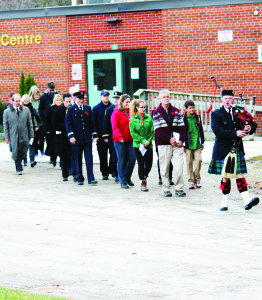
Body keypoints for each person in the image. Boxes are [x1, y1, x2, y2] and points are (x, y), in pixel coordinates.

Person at [208, 89, 259, 211]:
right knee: (226, 176)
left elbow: (253, 124)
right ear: (222, 101)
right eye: (225, 98)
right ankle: (224, 201)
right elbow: (218, 131)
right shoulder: (216, 114)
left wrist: (249, 127)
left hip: (237, 148)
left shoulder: (239, 112)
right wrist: (235, 133)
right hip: (223, 149)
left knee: (239, 174)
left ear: (233, 100)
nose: (228, 101)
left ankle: (246, 200)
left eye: (230, 98)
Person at [153, 89, 186, 197]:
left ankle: (179, 188)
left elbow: (182, 127)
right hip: (163, 144)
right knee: (165, 168)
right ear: (160, 99)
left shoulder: (176, 110)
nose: (166, 99)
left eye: (168, 97)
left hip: (177, 144)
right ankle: (166, 188)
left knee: (179, 168)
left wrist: (181, 139)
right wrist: (169, 139)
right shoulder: (156, 112)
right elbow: (158, 131)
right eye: (164, 97)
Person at [65, 91, 98, 185]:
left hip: (87, 138)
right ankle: (79, 178)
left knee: (89, 158)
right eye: (80, 99)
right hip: (76, 139)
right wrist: (71, 136)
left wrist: (94, 135)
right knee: (78, 158)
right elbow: (68, 124)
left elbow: (92, 123)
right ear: (75, 99)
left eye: (83, 99)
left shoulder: (88, 108)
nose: (81, 101)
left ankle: (91, 178)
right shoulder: (70, 109)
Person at [3, 93, 34, 175]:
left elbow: (29, 123)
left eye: (19, 101)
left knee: (23, 150)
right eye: (16, 101)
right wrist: (6, 137)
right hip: (13, 135)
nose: (18, 102)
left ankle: (21, 162)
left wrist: (31, 135)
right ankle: (18, 168)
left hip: (24, 134)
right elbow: (5, 125)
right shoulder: (7, 112)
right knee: (16, 151)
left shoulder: (26, 110)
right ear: (12, 101)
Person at [111, 94, 136, 189]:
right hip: (119, 140)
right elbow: (115, 126)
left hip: (130, 139)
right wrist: (119, 137)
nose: (128, 104)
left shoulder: (132, 113)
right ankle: (122, 180)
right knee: (121, 160)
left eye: (129, 102)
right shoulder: (116, 113)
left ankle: (127, 177)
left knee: (132, 159)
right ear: (122, 102)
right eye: (126, 102)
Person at [130, 99, 155, 192]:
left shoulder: (149, 117)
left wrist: (148, 140)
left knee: (149, 164)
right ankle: (143, 181)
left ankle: (144, 175)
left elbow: (152, 131)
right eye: (141, 107)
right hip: (138, 145)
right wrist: (142, 140)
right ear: (137, 108)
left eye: (145, 107)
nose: (144, 109)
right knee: (141, 164)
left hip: (148, 145)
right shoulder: (133, 119)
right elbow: (133, 133)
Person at [183, 100, 205, 189]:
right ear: (186, 109)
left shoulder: (197, 117)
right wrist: (183, 144)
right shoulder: (183, 118)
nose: (192, 109)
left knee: (198, 161)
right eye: (190, 108)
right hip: (188, 144)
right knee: (189, 163)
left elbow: (201, 130)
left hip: (197, 143)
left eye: (193, 108)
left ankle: (197, 179)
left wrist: (202, 142)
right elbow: (182, 132)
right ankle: (191, 181)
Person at [102, 91, 122, 182]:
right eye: (115, 98)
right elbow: (105, 124)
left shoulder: (124, 110)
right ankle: (115, 173)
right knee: (114, 155)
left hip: (123, 137)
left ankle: (120, 173)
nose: (116, 100)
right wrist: (105, 136)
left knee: (121, 156)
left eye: (118, 98)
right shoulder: (109, 110)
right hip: (113, 137)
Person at [93, 89, 112, 180]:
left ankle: (113, 171)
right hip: (100, 136)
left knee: (113, 154)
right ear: (101, 97)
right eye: (104, 96)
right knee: (103, 155)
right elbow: (94, 123)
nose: (106, 97)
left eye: (107, 95)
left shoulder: (113, 107)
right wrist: (95, 135)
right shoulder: (96, 108)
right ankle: (104, 173)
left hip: (112, 135)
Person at [52, 93, 72, 181]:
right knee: (63, 156)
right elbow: (54, 124)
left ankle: (73, 171)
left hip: (71, 136)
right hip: (62, 136)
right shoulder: (57, 112)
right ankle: (65, 174)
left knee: (72, 155)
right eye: (67, 101)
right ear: (63, 101)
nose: (68, 103)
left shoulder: (72, 110)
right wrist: (67, 126)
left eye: (70, 101)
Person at [21, 94, 40, 168]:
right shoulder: (21, 109)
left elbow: (38, 118)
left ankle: (32, 160)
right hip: (23, 129)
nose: (26, 102)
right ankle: (24, 160)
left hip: (31, 128)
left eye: (27, 101)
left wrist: (37, 126)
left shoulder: (32, 109)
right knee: (24, 145)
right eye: (25, 101)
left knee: (32, 144)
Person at [44, 94, 62, 166]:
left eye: (60, 100)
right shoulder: (51, 108)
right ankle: (53, 159)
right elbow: (47, 119)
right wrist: (47, 129)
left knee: (61, 146)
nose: (58, 102)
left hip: (60, 129)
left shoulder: (63, 108)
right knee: (53, 145)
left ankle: (61, 161)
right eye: (57, 100)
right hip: (52, 130)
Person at [30, 87, 45, 156]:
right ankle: (35, 151)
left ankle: (41, 149)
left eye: (37, 95)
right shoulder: (31, 102)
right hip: (34, 122)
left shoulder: (41, 101)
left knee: (41, 138)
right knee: (35, 138)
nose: (36, 96)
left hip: (41, 122)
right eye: (35, 95)